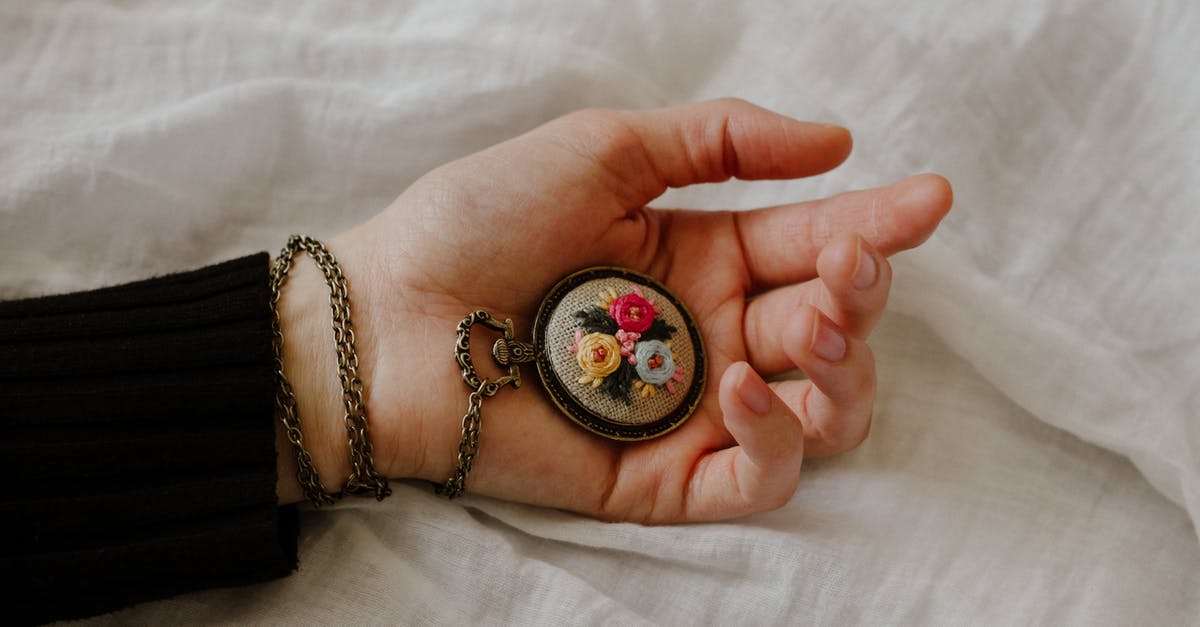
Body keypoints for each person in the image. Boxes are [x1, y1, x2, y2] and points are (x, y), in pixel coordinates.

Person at [3, 99, 952, 622]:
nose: (622, 335)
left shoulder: (606, 329)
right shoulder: (581, 335)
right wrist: (351, 345)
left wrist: (351, 349)